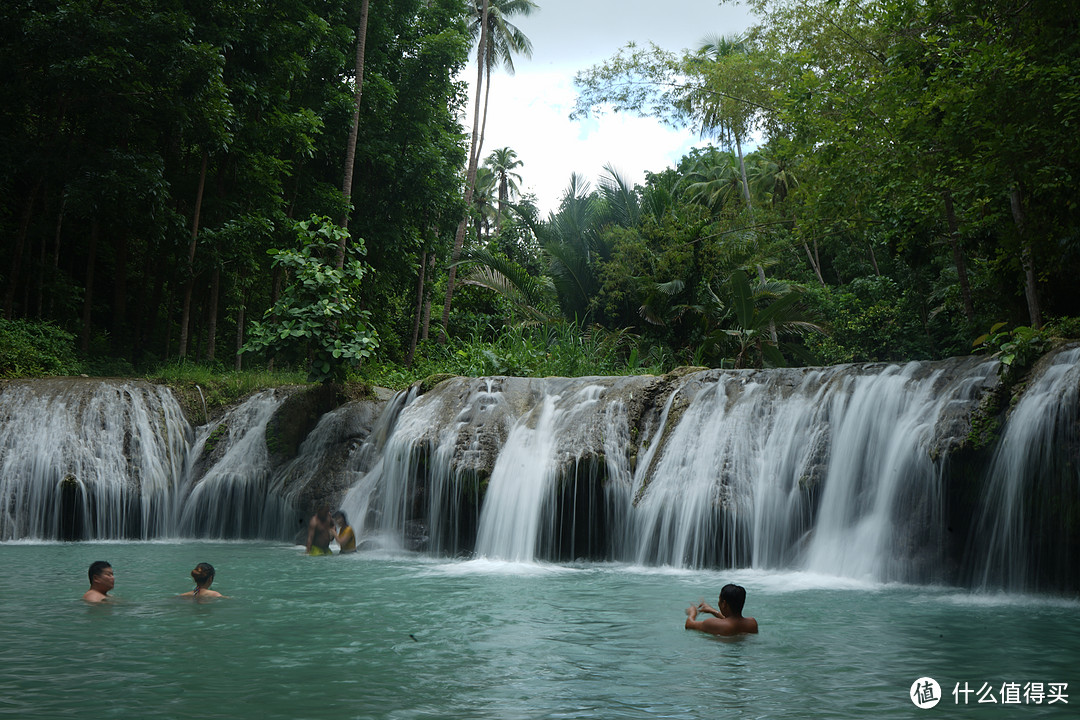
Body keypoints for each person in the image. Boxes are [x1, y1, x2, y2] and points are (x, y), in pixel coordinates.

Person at [685, 583, 758, 636]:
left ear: (724, 604)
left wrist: (692, 612)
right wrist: (713, 611)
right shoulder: (752, 623)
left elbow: (689, 624)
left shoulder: (711, 623)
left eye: (719, 600)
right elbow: (731, 621)